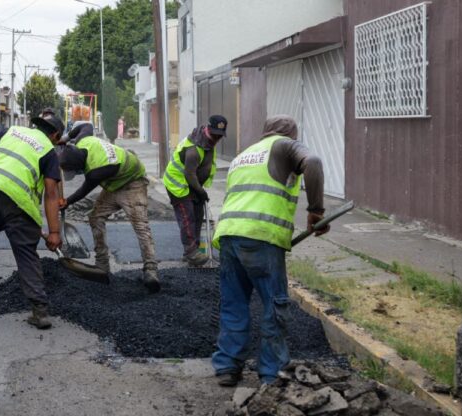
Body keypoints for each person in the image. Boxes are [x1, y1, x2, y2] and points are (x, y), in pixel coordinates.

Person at [211, 115, 328, 387]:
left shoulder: (244, 155)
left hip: (229, 235)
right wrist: (316, 211)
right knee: (274, 306)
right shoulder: (284, 146)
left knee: (234, 303)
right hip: (261, 237)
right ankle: (271, 372)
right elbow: (313, 162)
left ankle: (228, 367)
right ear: (290, 134)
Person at [0, 113, 64, 330]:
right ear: (55, 135)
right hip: (18, 203)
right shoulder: (48, 150)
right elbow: (51, 194)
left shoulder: (12, 131)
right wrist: (54, 231)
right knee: (26, 253)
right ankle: (40, 311)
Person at [58, 122, 159, 293]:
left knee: (140, 226)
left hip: (132, 183)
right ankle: (102, 264)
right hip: (114, 183)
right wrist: (65, 139)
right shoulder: (84, 140)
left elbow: (84, 190)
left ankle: (151, 270)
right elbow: (86, 125)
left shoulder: (97, 170)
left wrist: (67, 201)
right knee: (95, 217)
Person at [163, 115, 227, 266]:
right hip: (178, 184)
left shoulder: (209, 143)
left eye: (220, 136)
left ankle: (194, 250)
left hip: (192, 184)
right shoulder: (193, 148)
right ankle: (191, 252)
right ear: (206, 129)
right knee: (188, 216)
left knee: (199, 214)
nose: (216, 139)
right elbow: (189, 174)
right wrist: (201, 191)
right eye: (214, 135)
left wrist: (200, 190)